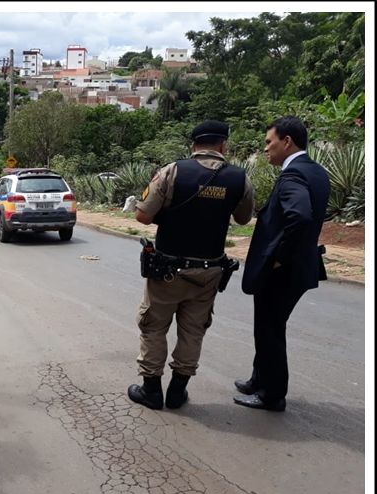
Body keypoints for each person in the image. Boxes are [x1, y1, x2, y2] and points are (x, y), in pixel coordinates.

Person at [128, 120, 255, 410]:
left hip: (167, 271)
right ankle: (177, 392)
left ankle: (151, 391)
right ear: (224, 145)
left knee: (154, 327)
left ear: (193, 145)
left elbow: (143, 217)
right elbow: (244, 218)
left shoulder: (173, 171)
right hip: (209, 271)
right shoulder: (239, 178)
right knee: (193, 331)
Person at [234, 116, 331, 411]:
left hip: (284, 271)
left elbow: (299, 217)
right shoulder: (316, 171)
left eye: (269, 142)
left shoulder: (293, 176)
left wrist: (279, 259)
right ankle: (259, 379)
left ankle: (272, 394)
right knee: (268, 325)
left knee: (270, 328)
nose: (266, 149)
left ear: (286, 141)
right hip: (300, 267)